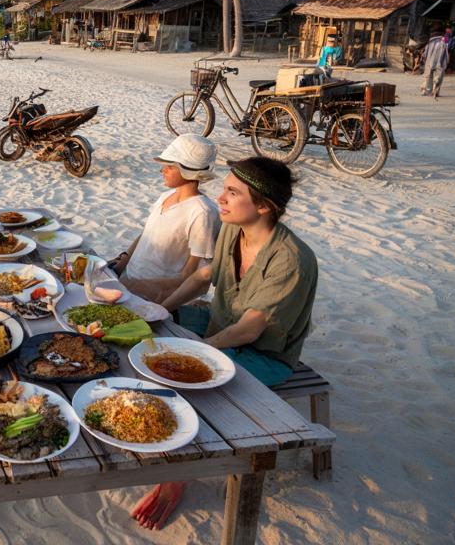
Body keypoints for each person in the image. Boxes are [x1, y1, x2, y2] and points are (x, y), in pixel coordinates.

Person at [131, 157, 318, 531]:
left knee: (187, 382)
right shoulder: (234, 229)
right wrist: (163, 309)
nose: (221, 197)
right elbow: (204, 276)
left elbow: (250, 329)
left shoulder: (291, 260)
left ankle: (177, 478)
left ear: (264, 206)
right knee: (141, 328)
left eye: (233, 192)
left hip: (263, 353)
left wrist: (196, 351)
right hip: (220, 323)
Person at [110, 135, 220, 303]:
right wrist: (119, 267)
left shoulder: (202, 212)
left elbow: (190, 275)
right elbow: (146, 235)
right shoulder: (165, 196)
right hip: (128, 279)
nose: (163, 170)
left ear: (188, 171)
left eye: (170, 166)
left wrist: (140, 286)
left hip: (154, 294)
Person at [420, 28, 449, 99]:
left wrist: (423, 59)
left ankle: (427, 91)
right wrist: (447, 33)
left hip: (430, 61)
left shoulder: (430, 41)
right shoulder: (444, 41)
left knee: (428, 76)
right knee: (438, 77)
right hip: (440, 62)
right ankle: (435, 92)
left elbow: (425, 53)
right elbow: (447, 49)